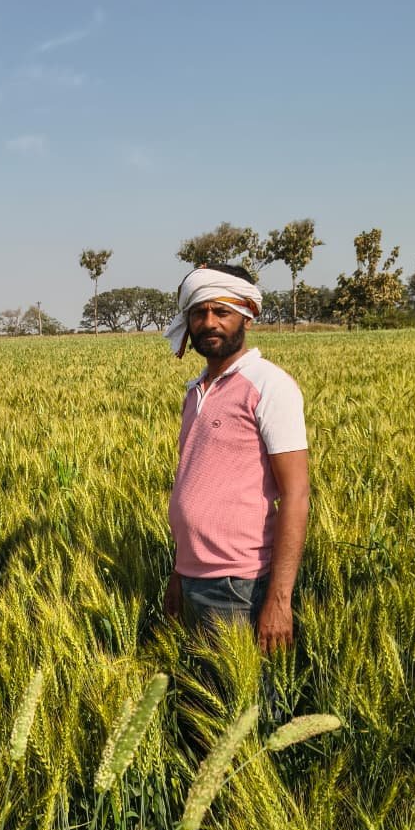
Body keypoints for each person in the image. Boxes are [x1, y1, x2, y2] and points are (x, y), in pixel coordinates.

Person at [163, 264, 309, 652]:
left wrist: (279, 599)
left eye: (221, 312)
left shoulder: (269, 385)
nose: (209, 322)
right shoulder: (195, 391)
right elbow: (193, 485)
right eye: (199, 312)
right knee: (206, 688)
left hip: (239, 584)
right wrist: (178, 572)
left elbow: (296, 494)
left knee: (240, 690)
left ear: (246, 316)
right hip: (193, 576)